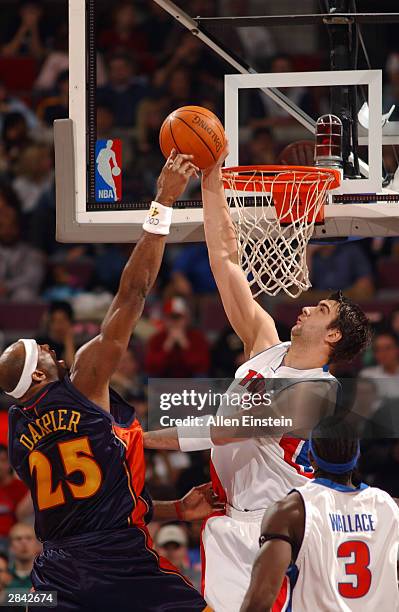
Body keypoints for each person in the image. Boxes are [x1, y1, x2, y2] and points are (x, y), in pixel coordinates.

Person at [142, 146, 372, 612]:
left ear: (333, 335)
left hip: (280, 529)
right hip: (229, 520)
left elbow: (226, 430)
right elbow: (226, 262)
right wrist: (211, 180)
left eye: (321, 310)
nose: (306, 305)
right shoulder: (264, 343)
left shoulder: (318, 394)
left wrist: (135, 438)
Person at [0, 152, 219, 611]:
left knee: (16, 599)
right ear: (38, 374)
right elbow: (133, 294)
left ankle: (14, 599)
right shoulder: (81, 383)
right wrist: (163, 200)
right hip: (120, 563)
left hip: (54, 573)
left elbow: (94, 502)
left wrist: (174, 510)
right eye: (42, 350)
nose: (51, 348)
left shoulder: (20, 434)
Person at [240, 417, 399, 611]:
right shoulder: (390, 507)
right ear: (357, 457)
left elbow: (260, 599)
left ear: (311, 457)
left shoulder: (291, 511)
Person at [145, 297, 210, 377]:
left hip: (190, 383)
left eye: (178, 317)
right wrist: (166, 347)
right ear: (165, 319)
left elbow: (202, 367)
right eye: (171, 317)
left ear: (187, 319)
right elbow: (151, 367)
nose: (175, 322)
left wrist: (185, 345)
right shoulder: (157, 338)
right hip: (164, 383)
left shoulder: (197, 337)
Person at [0, 445, 30, 539]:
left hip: (14, 539)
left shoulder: (21, 487)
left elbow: (22, 515)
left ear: (10, 463)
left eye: (3, 460)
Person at [360, 331, 399, 399]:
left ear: (397, 349)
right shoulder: (367, 375)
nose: (383, 353)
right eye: (378, 349)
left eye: (387, 348)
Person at [8, 523, 39, 590]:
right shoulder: (3, 576)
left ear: (37, 545)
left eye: (29, 538)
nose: (24, 542)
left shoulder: (46, 577)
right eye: (18, 539)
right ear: (11, 546)